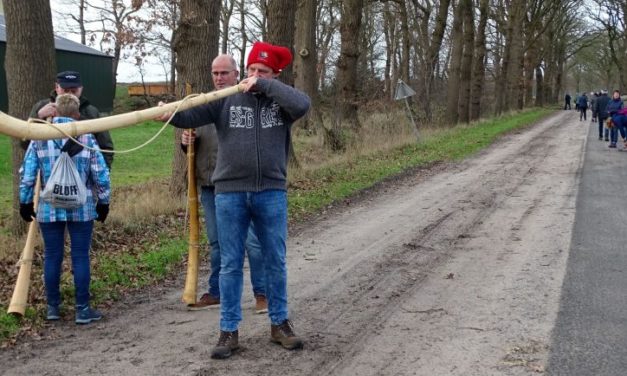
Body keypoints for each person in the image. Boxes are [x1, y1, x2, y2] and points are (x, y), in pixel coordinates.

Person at [157, 41, 310, 359]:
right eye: (252, 70)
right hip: (228, 193)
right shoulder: (226, 98)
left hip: (271, 191)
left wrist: (266, 86)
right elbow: (191, 115)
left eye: (262, 71)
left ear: (273, 75)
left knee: (275, 261)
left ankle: (279, 323)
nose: (254, 76)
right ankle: (228, 331)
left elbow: (303, 104)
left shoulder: (280, 101)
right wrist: (169, 115)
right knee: (229, 265)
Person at [182, 54, 268, 314]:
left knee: (252, 242)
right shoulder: (204, 104)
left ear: (235, 73)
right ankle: (217, 292)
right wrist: (187, 143)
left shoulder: (245, 101)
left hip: (241, 185)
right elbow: (193, 149)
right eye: (215, 73)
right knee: (218, 243)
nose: (219, 78)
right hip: (210, 186)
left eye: (224, 73)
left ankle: (262, 293)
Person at [19, 93, 111, 324]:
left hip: (49, 208)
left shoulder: (39, 138)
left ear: (55, 111)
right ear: (77, 114)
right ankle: (82, 309)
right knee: (80, 256)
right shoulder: (86, 138)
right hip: (81, 207)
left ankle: (53, 308)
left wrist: (25, 201)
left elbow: (28, 174)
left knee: (52, 256)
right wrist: (104, 201)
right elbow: (101, 174)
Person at [27, 71, 114, 170]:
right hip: (47, 175)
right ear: (57, 87)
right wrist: (39, 117)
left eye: (74, 91)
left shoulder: (91, 112)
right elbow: (25, 143)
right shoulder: (41, 107)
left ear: (81, 89)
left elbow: (106, 148)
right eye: (65, 90)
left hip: (83, 177)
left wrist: (102, 174)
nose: (69, 95)